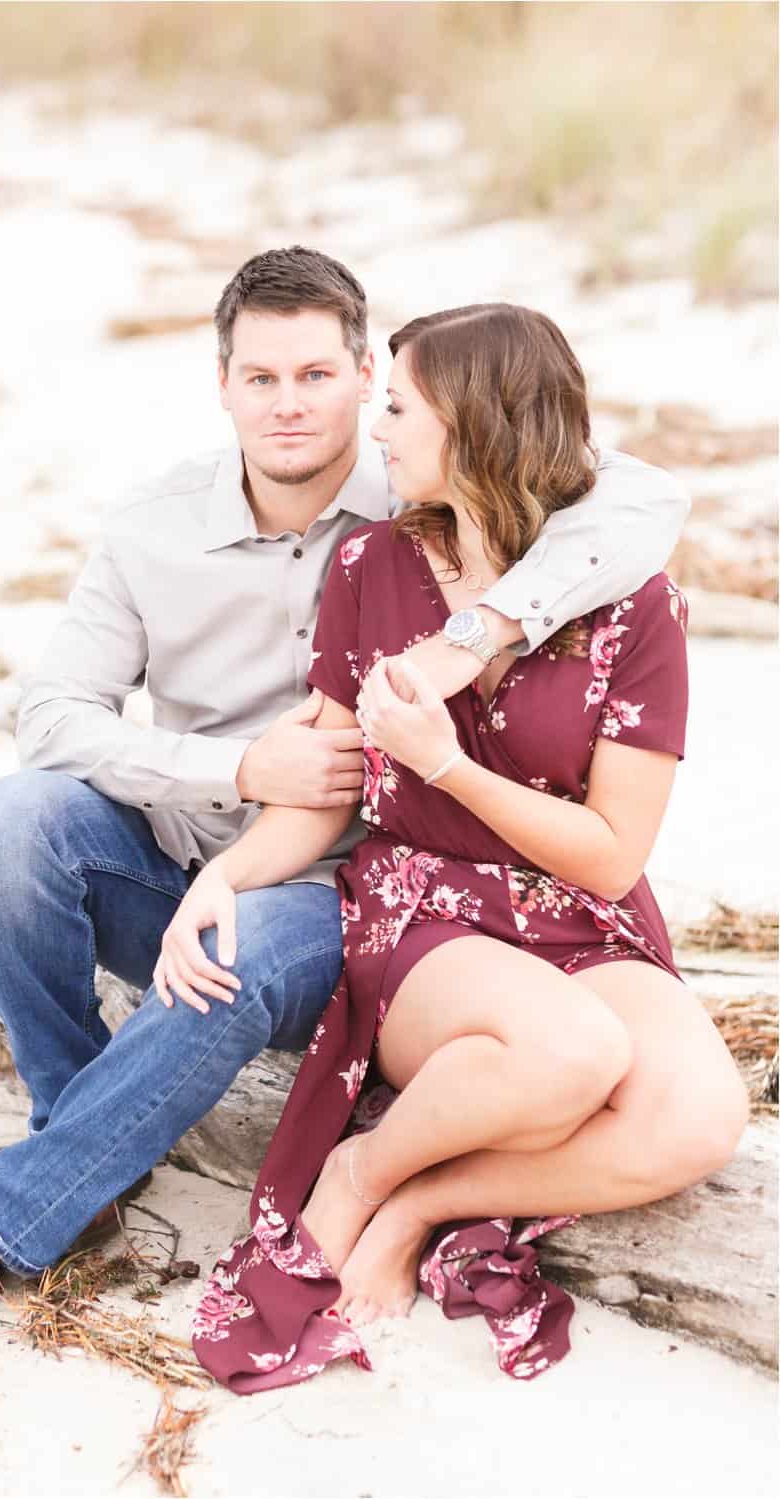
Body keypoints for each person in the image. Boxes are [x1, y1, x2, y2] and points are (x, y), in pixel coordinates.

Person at [0, 251, 694, 1350]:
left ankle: (0, 1224)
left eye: (322, 376)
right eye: (260, 377)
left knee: (237, 951)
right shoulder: (154, 524)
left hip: (344, 888)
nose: (292, 404)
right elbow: (50, 714)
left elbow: (639, 496)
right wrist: (235, 769)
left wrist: (475, 634)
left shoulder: (425, 487)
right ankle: (75, 1145)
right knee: (9, 822)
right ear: (222, 381)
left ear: (362, 374)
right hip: (204, 839)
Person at [164, 303, 749, 1393]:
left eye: (396, 408)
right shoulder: (370, 567)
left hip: (580, 906)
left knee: (699, 1115)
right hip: (423, 904)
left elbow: (613, 855)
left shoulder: (633, 605)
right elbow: (328, 785)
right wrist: (221, 873)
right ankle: (350, 1173)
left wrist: (447, 762)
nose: (374, 431)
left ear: (475, 426)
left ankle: (421, 1192)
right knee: (571, 1052)